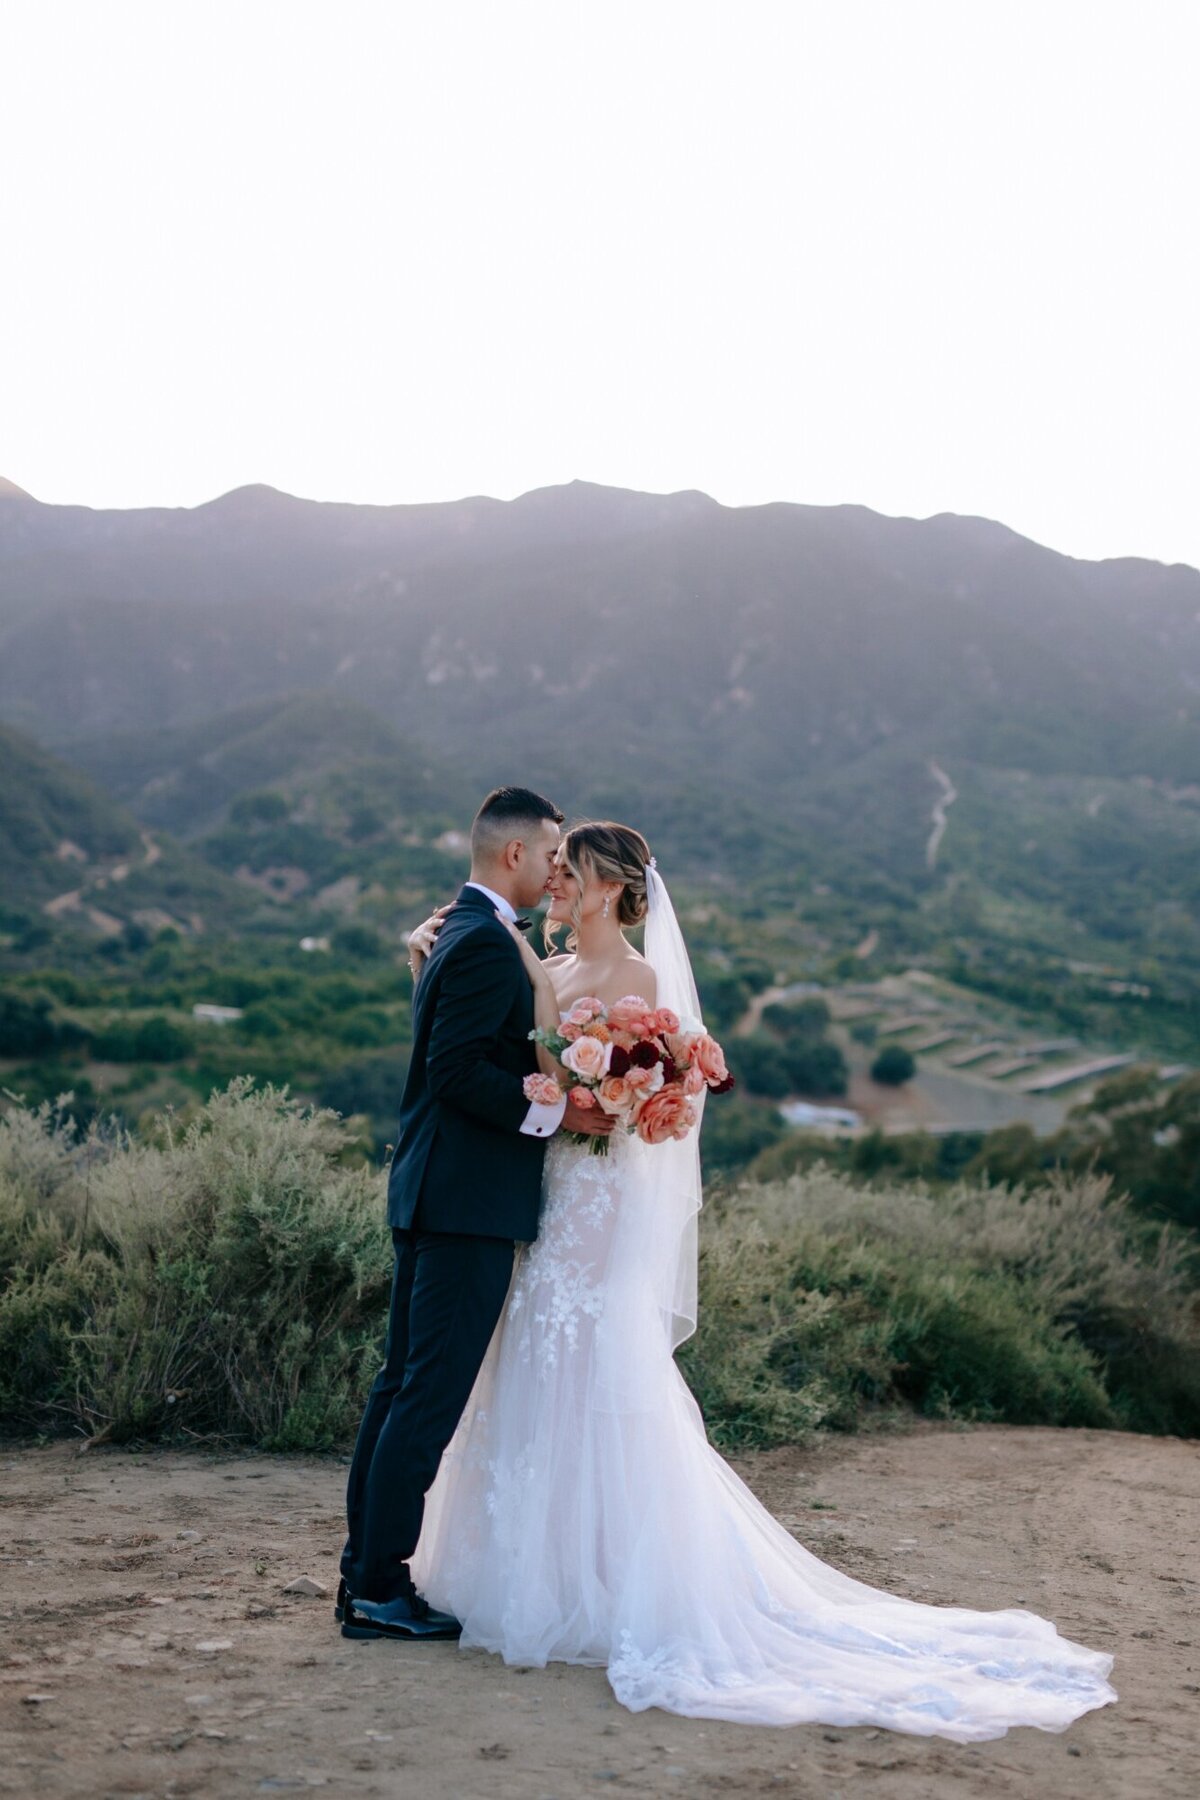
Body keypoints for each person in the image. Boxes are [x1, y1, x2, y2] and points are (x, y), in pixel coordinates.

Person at [396, 820, 1117, 1740]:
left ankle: (607, 1580)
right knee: (532, 1354)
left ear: (612, 888)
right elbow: (531, 1071)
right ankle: (522, 1565)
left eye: (572, 876)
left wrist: (608, 1091)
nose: (560, 890)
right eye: (558, 874)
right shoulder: (550, 969)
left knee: (589, 1357)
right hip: (542, 1197)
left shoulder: (642, 986)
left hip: (595, 1201)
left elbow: (614, 1110)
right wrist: (475, 981)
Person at [338, 788, 613, 1641]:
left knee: (399, 1392)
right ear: (514, 857)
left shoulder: (455, 931)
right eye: (552, 852)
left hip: (435, 1192)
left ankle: (365, 1580)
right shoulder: (487, 945)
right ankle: (380, 1591)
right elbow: (456, 1072)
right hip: (465, 1205)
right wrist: (558, 1114)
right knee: (424, 1399)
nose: (558, 866)